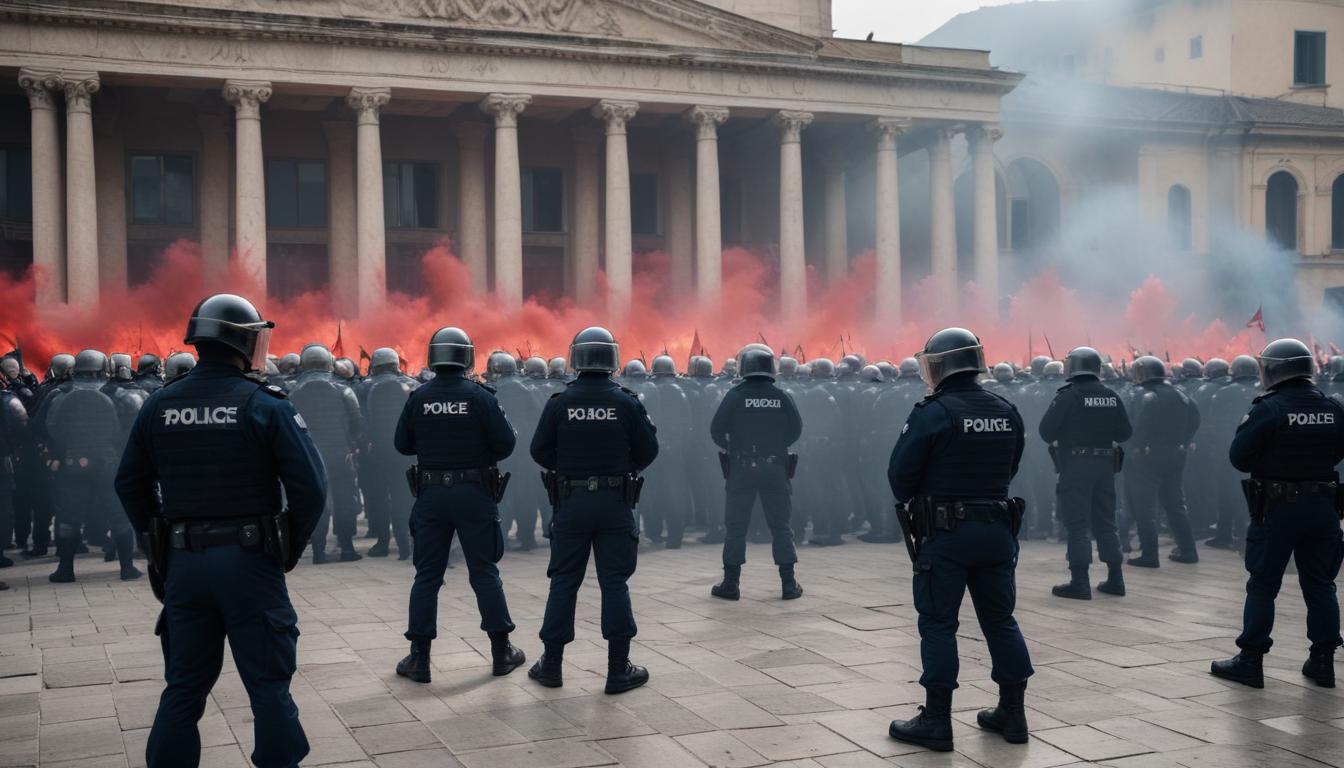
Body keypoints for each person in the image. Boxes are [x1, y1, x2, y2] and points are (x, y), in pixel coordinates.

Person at [115, 293, 326, 768]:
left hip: (184, 565)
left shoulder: (159, 405)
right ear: (239, 342)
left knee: (185, 685)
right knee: (268, 683)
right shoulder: (264, 404)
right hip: (250, 563)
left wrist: (157, 545)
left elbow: (129, 483)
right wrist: (285, 545)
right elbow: (311, 488)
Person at [886, 327, 1033, 753]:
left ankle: (936, 721)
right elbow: (1011, 467)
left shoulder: (933, 412)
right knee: (1001, 620)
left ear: (940, 365)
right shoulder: (1006, 410)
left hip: (947, 534)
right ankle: (1013, 711)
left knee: (938, 624)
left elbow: (900, 480)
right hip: (997, 530)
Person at [528, 327, 659, 694]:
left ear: (577, 359)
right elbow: (648, 452)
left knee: (564, 581)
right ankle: (619, 670)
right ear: (612, 359)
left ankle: (551, 665)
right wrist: (618, 467)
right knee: (614, 582)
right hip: (615, 502)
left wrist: (569, 466)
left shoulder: (559, 402)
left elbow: (539, 451)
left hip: (570, 502)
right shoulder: (628, 402)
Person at [391, 328, 525, 682]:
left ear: (434, 357)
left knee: (427, 576)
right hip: (473, 492)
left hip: (431, 495)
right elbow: (507, 444)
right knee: (484, 572)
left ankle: (419, 658)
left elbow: (402, 444)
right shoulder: (480, 397)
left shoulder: (418, 397)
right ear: (467, 357)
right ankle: (501, 652)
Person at [1211, 339, 1344, 690]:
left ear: (1273, 369)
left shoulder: (1269, 408)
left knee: (1263, 584)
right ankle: (1323, 662)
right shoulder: (1333, 407)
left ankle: (1250, 661)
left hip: (1279, 508)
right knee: (1320, 585)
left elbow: (1239, 457)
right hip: (1323, 507)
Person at [34, 349, 141, 582]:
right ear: (105, 368)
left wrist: (61, 452)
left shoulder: (59, 394)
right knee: (118, 513)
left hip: (71, 463)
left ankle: (65, 569)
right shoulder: (118, 393)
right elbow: (133, 426)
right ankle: (127, 568)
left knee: (68, 517)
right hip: (109, 463)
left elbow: (44, 428)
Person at [709, 344, 804, 600]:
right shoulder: (781, 396)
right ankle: (789, 584)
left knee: (736, 527)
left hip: (741, 467)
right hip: (775, 467)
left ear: (744, 368)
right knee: (781, 526)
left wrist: (733, 446)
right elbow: (796, 429)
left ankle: (731, 584)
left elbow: (716, 429)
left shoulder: (735, 395)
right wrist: (776, 444)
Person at [1038, 346, 1133, 600]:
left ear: (1073, 366)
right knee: (1106, 522)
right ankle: (1116, 579)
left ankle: (1080, 582)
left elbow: (1046, 432)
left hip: (1076, 466)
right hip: (1105, 467)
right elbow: (1125, 434)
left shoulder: (1068, 396)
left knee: (1077, 524)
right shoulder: (1111, 395)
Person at [289, 344, 365, 563]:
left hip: (309, 456)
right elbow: (357, 422)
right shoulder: (343, 389)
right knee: (345, 500)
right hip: (341, 455)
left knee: (316, 501)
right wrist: (353, 445)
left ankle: (319, 551)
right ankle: (347, 548)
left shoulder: (292, 389)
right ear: (328, 363)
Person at [1124, 356, 1202, 567]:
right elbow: (1195, 419)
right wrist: (1184, 442)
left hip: (1146, 458)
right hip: (1175, 456)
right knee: (1175, 504)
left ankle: (1149, 555)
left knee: (1144, 508)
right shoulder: (1180, 393)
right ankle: (1188, 550)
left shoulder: (1143, 395)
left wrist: (1135, 448)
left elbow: (1138, 424)